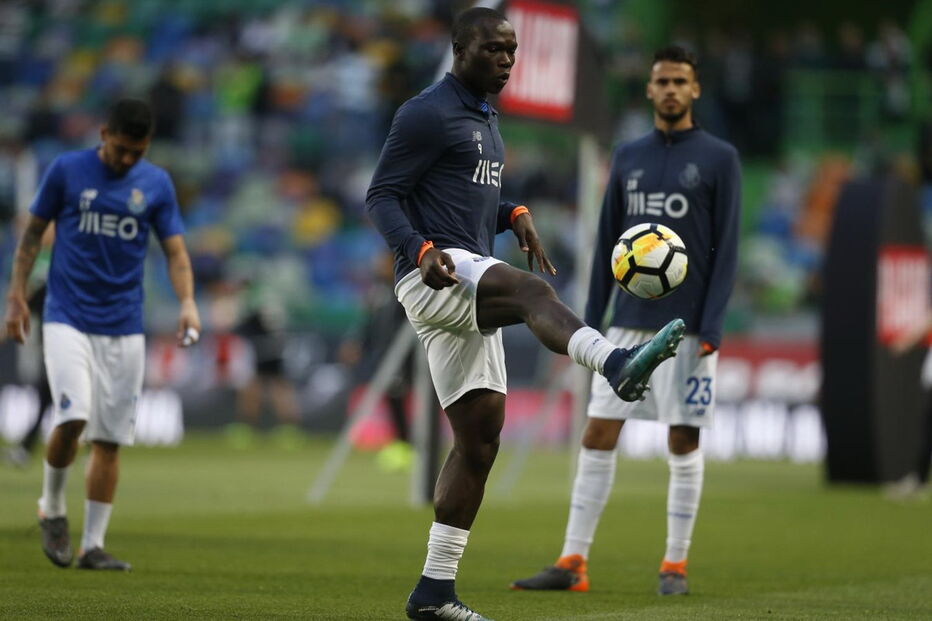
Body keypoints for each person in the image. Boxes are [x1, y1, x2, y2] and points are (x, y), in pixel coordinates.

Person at [365, 9, 686, 620]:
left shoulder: (486, 119)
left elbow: (467, 188)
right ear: (461, 49)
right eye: (495, 50)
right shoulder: (425, 112)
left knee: (480, 441)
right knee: (536, 296)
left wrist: (512, 213)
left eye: (512, 52)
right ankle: (616, 363)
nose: (507, 61)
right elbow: (382, 194)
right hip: (435, 272)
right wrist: (421, 250)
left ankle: (433, 591)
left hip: (464, 270)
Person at [511, 45, 741, 597]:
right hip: (627, 325)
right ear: (649, 89)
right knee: (597, 431)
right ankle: (572, 562)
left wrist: (711, 326)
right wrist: (587, 328)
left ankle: (675, 565)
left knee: (683, 439)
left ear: (695, 90)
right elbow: (605, 242)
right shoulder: (628, 156)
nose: (669, 90)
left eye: (679, 81)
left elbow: (727, 246)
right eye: (661, 80)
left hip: (687, 329)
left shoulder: (719, 158)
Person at [3, 99, 201, 571]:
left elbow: (174, 252)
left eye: (138, 152)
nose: (128, 160)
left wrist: (188, 301)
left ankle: (92, 545)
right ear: (104, 133)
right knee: (72, 417)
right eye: (121, 150)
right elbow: (32, 235)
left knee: (109, 441)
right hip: (67, 315)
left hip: (125, 325)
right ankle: (51, 508)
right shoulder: (67, 171)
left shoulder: (155, 184)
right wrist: (14, 296)